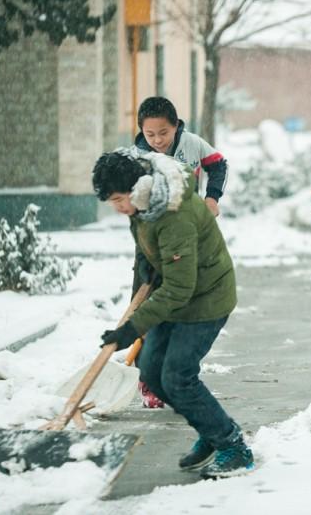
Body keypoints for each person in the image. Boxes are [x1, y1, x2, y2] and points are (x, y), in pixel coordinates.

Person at [92, 149, 253, 478]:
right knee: (151, 371)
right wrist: (145, 269)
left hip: (206, 298)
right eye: (112, 202)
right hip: (173, 294)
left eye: (119, 200)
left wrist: (132, 328)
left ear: (137, 188)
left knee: (177, 377)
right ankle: (211, 429)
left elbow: (181, 287)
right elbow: (146, 245)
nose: (118, 208)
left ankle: (233, 445)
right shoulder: (143, 203)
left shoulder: (172, 213)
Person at [132, 96, 229, 407]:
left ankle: (180, 377)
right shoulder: (138, 159)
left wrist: (212, 198)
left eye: (164, 132)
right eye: (150, 134)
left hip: (189, 241)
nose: (158, 140)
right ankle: (148, 379)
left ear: (176, 126)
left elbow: (219, 165)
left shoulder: (192, 144)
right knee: (149, 309)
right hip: (151, 243)